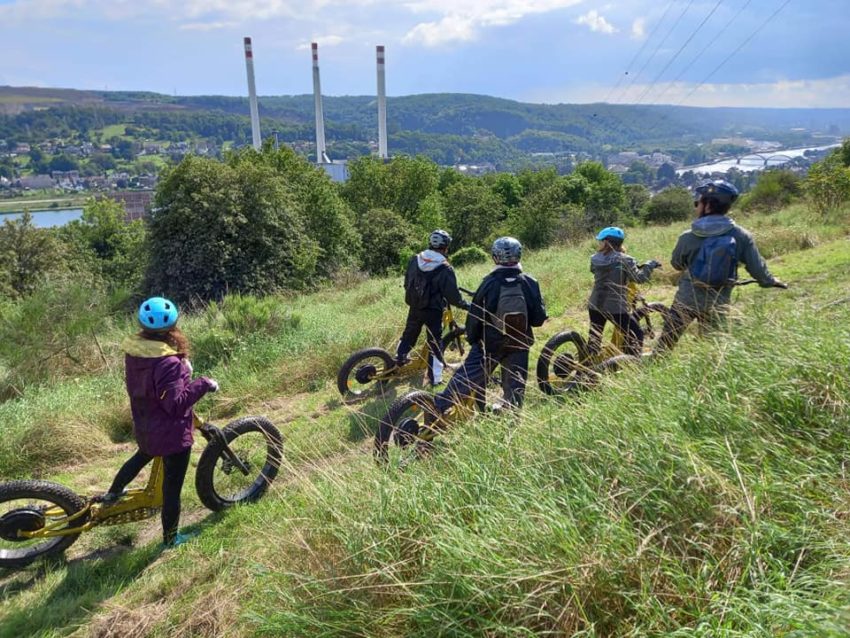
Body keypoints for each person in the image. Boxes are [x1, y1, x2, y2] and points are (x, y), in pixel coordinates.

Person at [103, 297, 219, 547]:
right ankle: (171, 539)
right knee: (172, 490)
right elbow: (176, 405)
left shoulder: (136, 351)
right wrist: (203, 383)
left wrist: (181, 368)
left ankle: (112, 493)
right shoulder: (168, 362)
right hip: (171, 434)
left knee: (140, 456)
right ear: (174, 325)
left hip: (146, 423)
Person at [656, 179, 787, 353]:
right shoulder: (741, 235)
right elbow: (757, 269)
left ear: (708, 205)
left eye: (698, 203)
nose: (696, 207)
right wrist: (770, 281)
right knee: (712, 349)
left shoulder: (688, 236)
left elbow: (677, 264)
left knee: (665, 344)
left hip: (686, 298)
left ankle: (651, 367)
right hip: (719, 302)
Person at [434, 237, 546, 415]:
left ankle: (439, 406)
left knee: (466, 378)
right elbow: (538, 319)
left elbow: (475, 317)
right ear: (519, 255)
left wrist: (473, 340)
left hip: (490, 344)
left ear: (495, 258)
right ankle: (511, 417)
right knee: (515, 385)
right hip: (520, 343)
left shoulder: (488, 283)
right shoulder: (530, 282)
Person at [397, 229, 470, 386]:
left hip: (415, 307)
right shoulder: (445, 267)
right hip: (433, 311)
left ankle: (398, 362)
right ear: (446, 247)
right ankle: (435, 379)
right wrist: (467, 306)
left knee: (409, 335)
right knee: (435, 343)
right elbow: (453, 298)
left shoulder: (415, 259)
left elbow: (406, 283)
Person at [587, 226, 661, 357]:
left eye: (601, 241)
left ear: (606, 242)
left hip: (595, 303)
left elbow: (594, 271)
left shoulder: (594, 258)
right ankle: (632, 363)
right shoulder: (626, 259)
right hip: (615, 307)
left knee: (595, 337)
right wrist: (650, 265)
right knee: (636, 333)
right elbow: (639, 278)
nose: (600, 243)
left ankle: (589, 364)